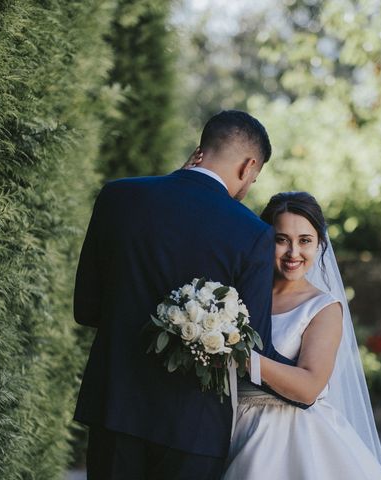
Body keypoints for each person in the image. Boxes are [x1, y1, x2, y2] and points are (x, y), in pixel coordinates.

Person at [73, 110, 307, 480]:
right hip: (193, 426)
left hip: (115, 407)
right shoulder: (251, 233)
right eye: (255, 176)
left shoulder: (118, 197)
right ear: (248, 166)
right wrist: (309, 380)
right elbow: (253, 347)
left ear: (200, 151)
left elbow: (86, 309)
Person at [223, 192, 381, 479]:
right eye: (281, 239)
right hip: (229, 426)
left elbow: (309, 386)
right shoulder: (236, 296)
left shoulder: (322, 308)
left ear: (319, 244)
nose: (293, 253)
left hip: (289, 437)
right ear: (265, 240)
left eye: (305, 241)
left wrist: (243, 358)